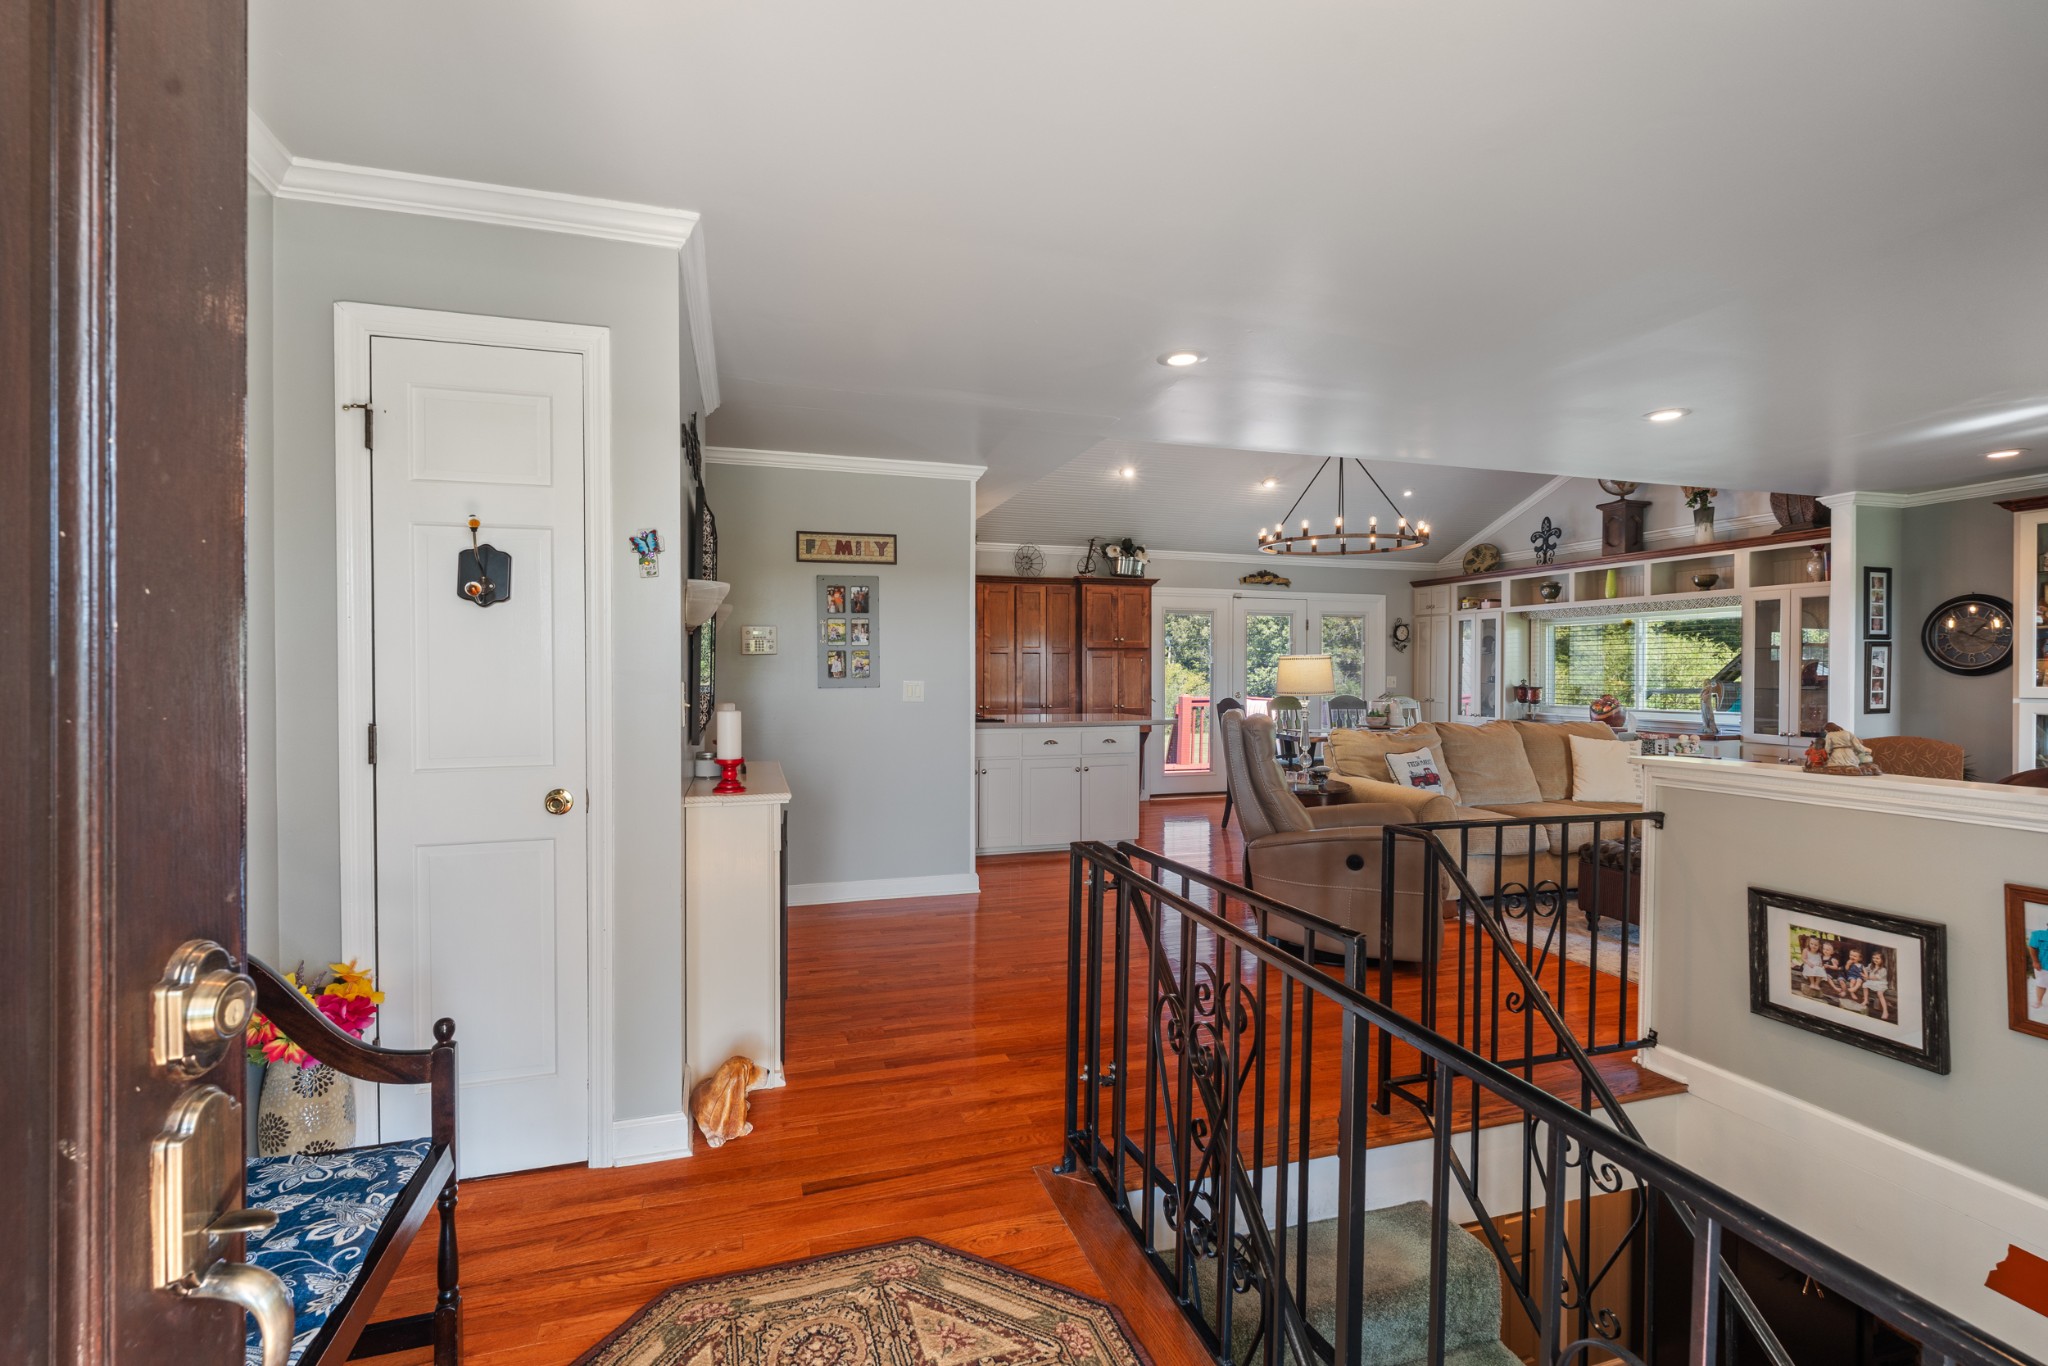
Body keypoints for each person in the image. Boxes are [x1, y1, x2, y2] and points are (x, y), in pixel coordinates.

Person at [1863, 950, 1892, 1022]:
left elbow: (1875, 978)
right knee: (1864, 985)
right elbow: (1865, 969)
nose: (1875, 960)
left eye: (1877, 958)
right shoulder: (1871, 965)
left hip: (1881, 983)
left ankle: (1885, 1011)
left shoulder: (1883, 969)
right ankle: (1866, 1000)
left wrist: (1867, 977)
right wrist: (1864, 971)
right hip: (1873, 982)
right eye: (1873, 958)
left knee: (1880, 994)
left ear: (1882, 960)